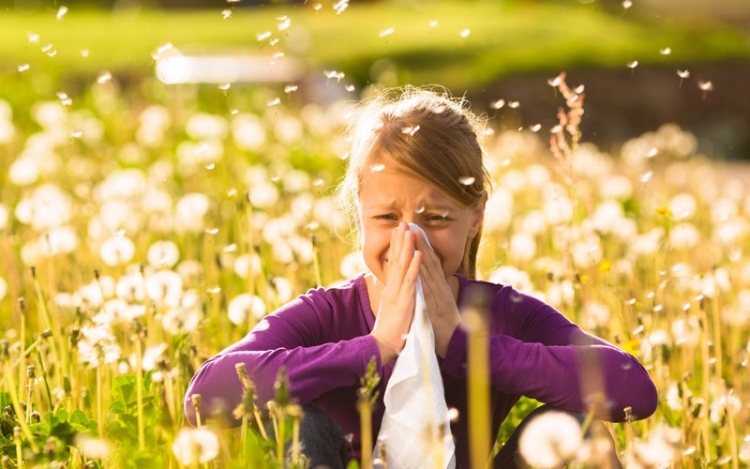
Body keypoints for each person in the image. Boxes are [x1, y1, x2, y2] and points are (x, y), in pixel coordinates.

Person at [184, 87, 658, 468]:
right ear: (360, 217)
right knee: (296, 424)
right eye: (387, 217)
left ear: (475, 218)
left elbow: (633, 389)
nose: (410, 240)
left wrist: (468, 346)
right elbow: (205, 396)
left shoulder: (499, 313)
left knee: (580, 427)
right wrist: (375, 348)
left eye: (435, 219)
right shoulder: (328, 313)